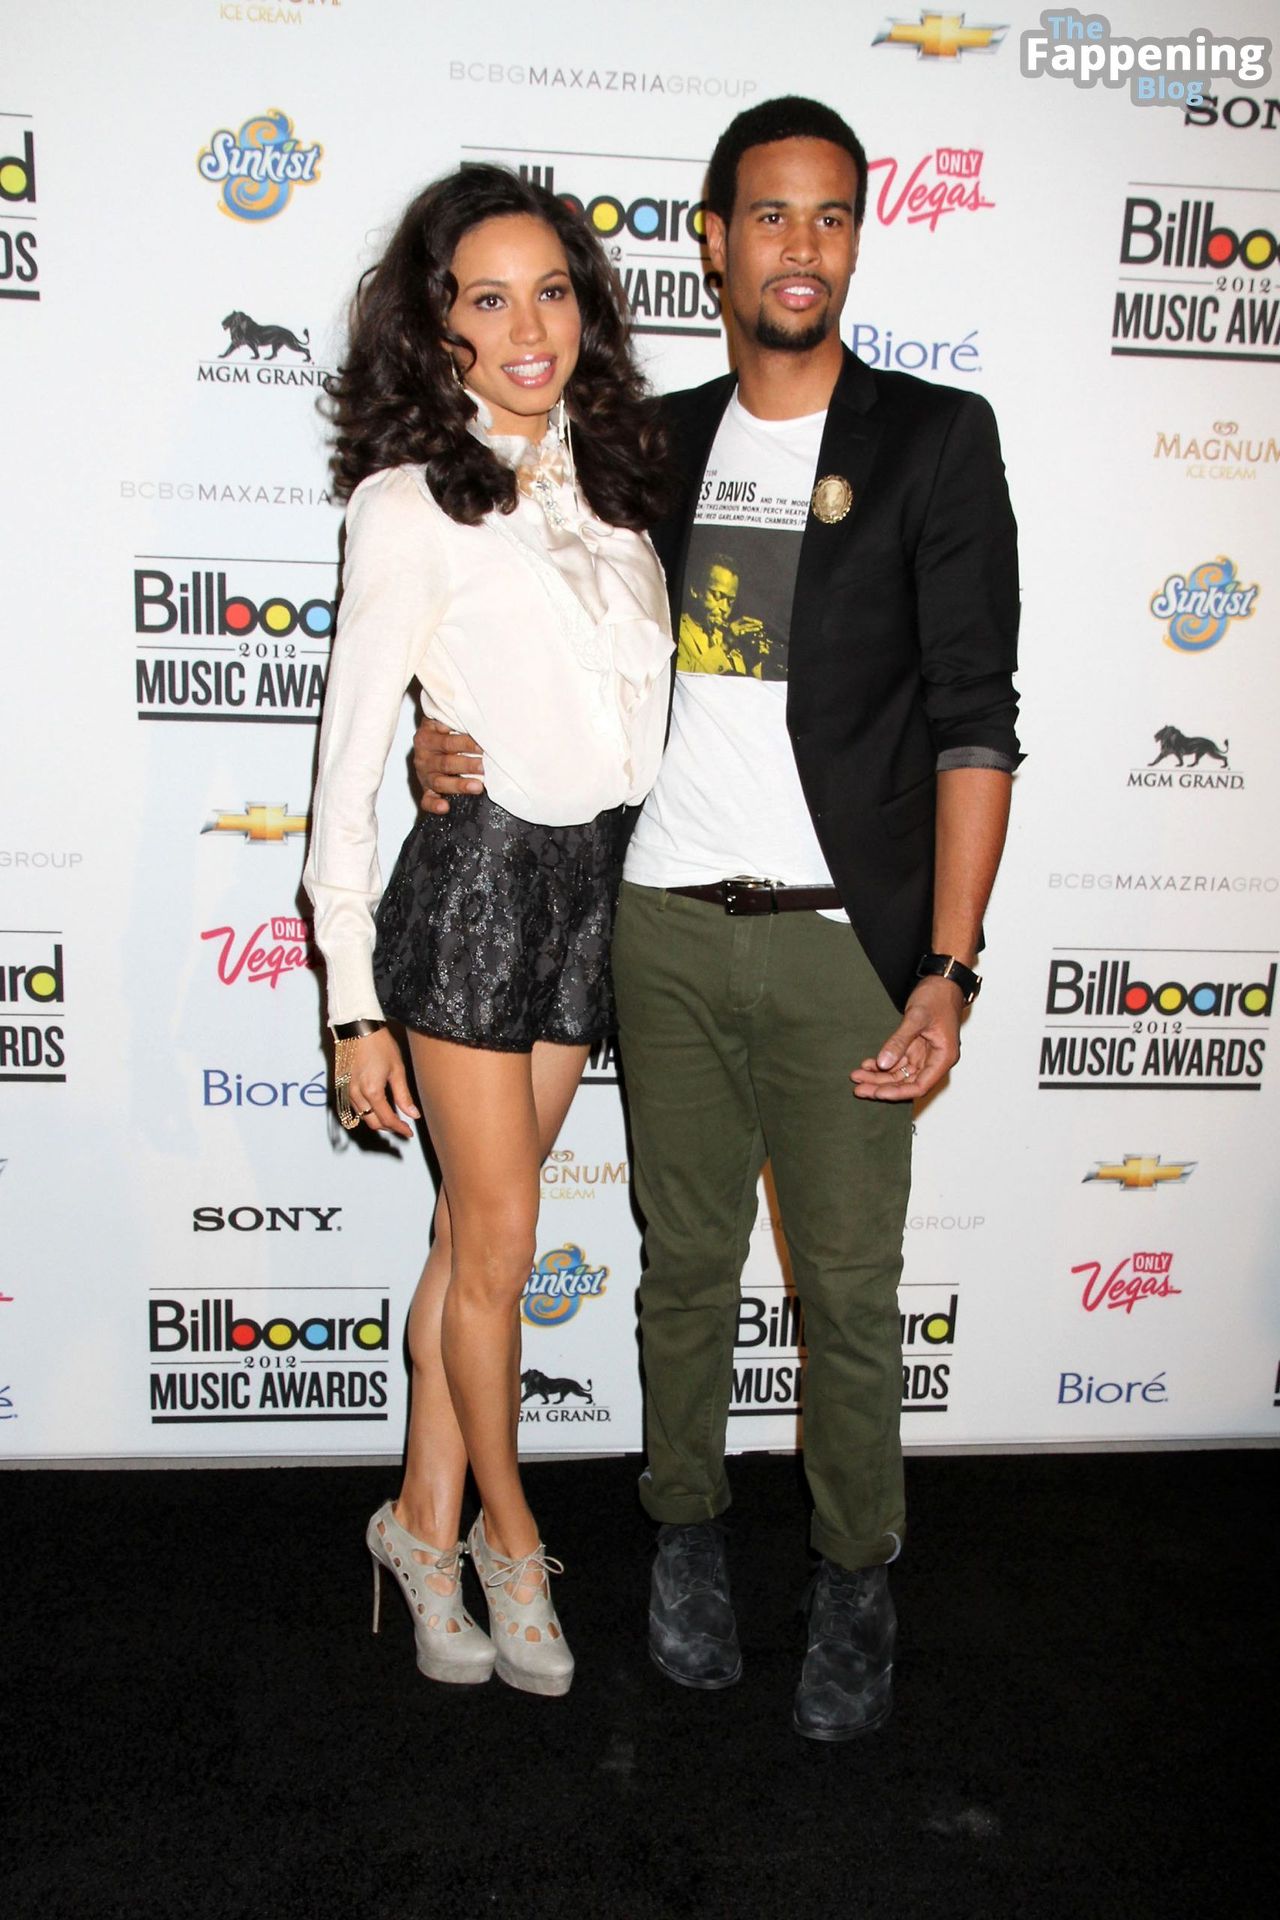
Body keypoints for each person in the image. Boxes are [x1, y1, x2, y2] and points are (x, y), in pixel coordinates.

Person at [413, 97, 1021, 1739]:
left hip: (844, 945)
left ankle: (854, 1571)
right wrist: (433, 729)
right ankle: (683, 1535)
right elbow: (509, 610)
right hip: (666, 927)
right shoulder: (647, 442)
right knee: (681, 1269)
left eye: (829, 216)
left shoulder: (935, 439)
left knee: (850, 1292)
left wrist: (949, 966)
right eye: (768, 215)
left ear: (857, 238)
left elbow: (975, 720)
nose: (799, 247)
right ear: (714, 239)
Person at [304, 165, 673, 1698]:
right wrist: (350, 1002)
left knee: (470, 1241)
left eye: (553, 292)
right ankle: (513, 1539)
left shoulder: (626, 483)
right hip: (474, 895)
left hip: (593, 895)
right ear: (436, 326)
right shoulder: (408, 505)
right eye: (488, 298)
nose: (529, 329)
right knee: (506, 1245)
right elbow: (344, 763)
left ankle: (415, 1523)